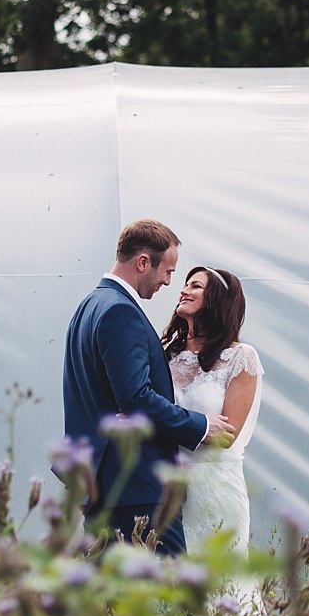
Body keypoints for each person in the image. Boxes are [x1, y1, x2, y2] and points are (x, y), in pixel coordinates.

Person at [62, 219, 235, 555]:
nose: (169, 282)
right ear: (143, 262)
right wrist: (200, 424)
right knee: (175, 599)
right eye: (167, 271)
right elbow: (136, 397)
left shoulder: (88, 307)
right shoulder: (120, 312)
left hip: (101, 483)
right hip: (136, 487)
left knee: (109, 601)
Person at [162, 266, 262, 553]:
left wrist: (166, 423)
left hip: (215, 489)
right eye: (185, 284)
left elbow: (225, 435)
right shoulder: (165, 354)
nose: (183, 290)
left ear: (217, 299)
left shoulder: (241, 358)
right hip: (168, 487)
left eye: (195, 286)